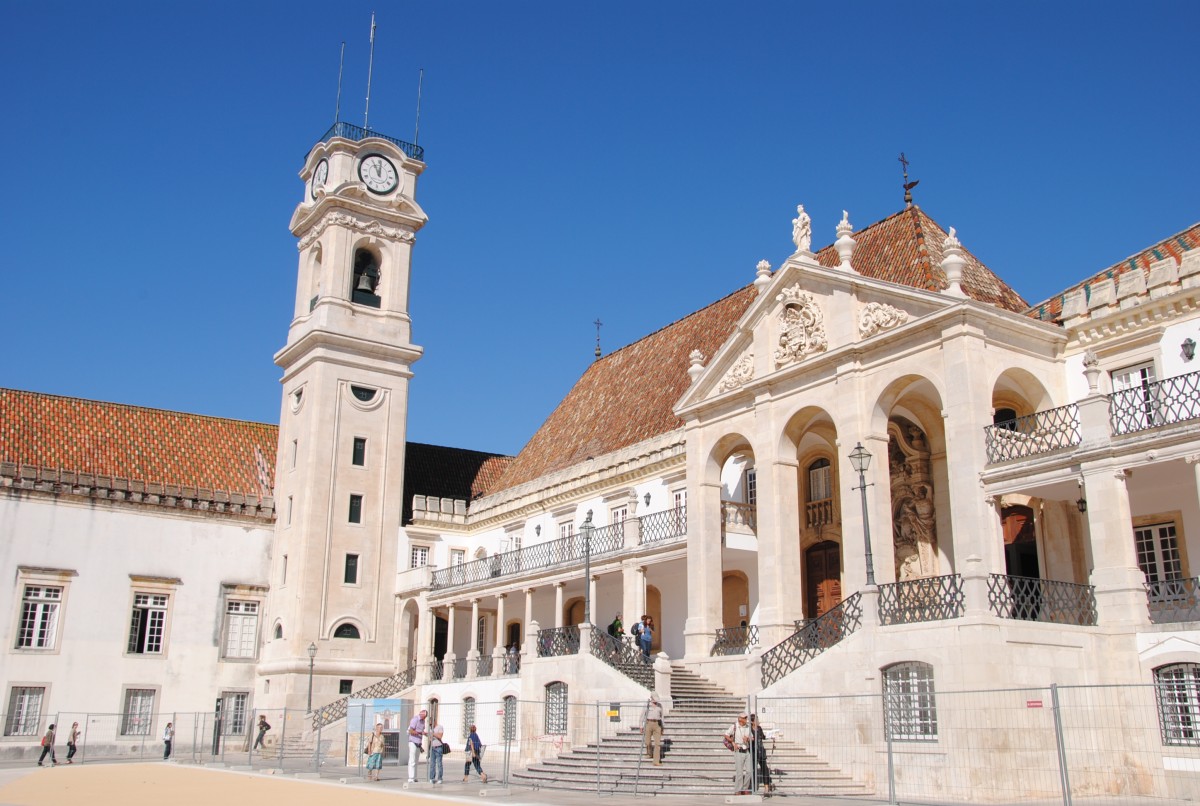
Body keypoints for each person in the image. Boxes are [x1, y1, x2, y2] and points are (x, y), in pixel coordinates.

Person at [724, 712, 753, 795]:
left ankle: (745, 788)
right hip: (738, 750)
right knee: (739, 773)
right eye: (744, 718)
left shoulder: (748, 727)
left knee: (749, 771)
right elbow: (726, 734)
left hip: (746, 750)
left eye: (746, 718)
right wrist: (733, 742)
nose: (746, 719)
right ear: (740, 719)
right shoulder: (734, 726)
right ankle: (738, 790)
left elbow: (752, 737)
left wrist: (748, 738)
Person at [749, 714, 772, 793]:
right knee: (753, 769)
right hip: (753, 751)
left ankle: (766, 787)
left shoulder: (759, 728)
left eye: (757, 719)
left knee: (765, 769)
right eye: (756, 720)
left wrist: (771, 736)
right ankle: (753, 788)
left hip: (761, 751)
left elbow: (763, 737)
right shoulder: (749, 730)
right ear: (752, 721)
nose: (758, 721)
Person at [406, 708, 427, 783]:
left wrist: (424, 733)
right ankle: (410, 777)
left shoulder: (423, 721)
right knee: (412, 760)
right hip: (413, 741)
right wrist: (420, 733)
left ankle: (415, 777)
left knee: (416, 761)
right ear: (421, 714)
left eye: (425, 717)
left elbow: (422, 731)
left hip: (419, 742)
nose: (424, 718)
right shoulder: (415, 719)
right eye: (424, 716)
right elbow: (411, 730)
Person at [643, 693, 664, 766]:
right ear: (651, 698)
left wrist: (663, 727)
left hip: (657, 724)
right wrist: (641, 726)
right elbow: (642, 715)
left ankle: (656, 761)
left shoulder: (660, 706)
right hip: (649, 723)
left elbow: (662, 717)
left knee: (657, 744)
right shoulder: (647, 705)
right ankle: (649, 753)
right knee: (647, 742)